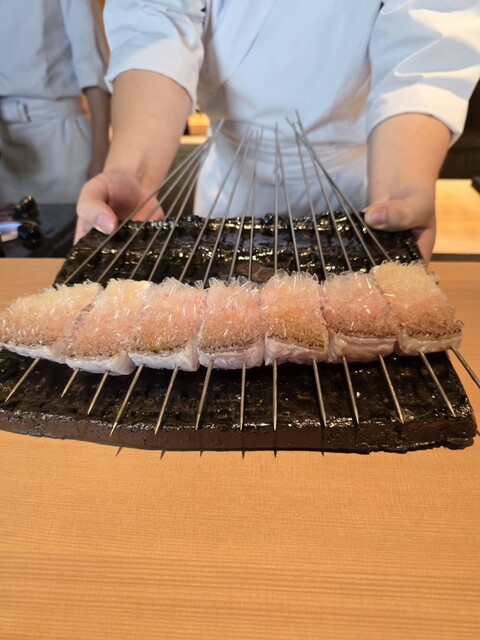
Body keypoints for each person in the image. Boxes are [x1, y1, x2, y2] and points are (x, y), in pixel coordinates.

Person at [75, 0, 480, 260]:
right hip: (233, 185)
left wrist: (399, 190)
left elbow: (427, 34)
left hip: (358, 189)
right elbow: (156, 21)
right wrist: (133, 173)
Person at [0, 0, 110, 206]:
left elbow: (94, 70)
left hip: (59, 141)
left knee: (72, 225)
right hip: (5, 153)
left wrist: (101, 155)